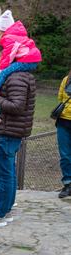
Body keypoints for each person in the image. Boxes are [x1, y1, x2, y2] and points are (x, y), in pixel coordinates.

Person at [0, 41, 37, 228]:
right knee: (8, 172)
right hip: (10, 130)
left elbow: (17, 106)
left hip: (7, 131)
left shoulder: (15, 78)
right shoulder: (18, 76)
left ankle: (0, 213)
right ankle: (7, 208)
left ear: (7, 56)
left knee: (3, 174)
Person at [0, 10, 42, 95]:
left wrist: (1, 70)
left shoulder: (8, 38)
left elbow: (8, 56)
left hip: (28, 60)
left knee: (4, 72)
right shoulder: (16, 36)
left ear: (3, 31)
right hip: (32, 59)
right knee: (9, 70)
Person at [57, 70, 71, 198]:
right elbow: (60, 98)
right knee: (65, 154)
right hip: (64, 121)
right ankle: (67, 183)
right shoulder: (66, 79)